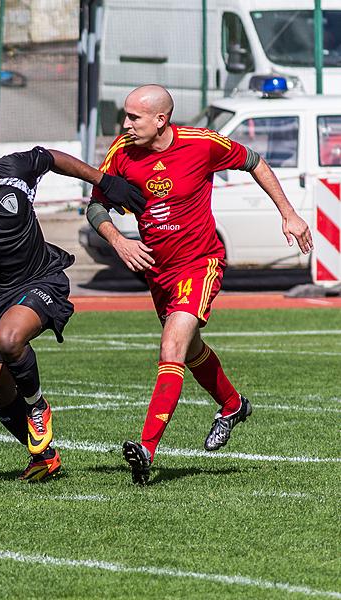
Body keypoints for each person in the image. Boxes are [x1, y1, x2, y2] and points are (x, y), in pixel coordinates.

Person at [87, 84, 313, 485]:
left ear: (161, 119)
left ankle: (146, 448)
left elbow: (255, 161)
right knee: (190, 350)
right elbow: (96, 205)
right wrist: (119, 240)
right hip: (159, 272)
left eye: (133, 117)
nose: (125, 124)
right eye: (126, 115)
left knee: (172, 345)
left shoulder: (201, 144)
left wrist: (289, 214)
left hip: (200, 264)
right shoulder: (122, 152)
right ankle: (232, 404)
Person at [0, 134, 144, 482]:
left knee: (9, 338)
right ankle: (44, 457)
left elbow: (49, 158)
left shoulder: (13, 172)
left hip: (41, 279)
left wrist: (103, 180)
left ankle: (37, 406)